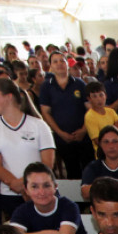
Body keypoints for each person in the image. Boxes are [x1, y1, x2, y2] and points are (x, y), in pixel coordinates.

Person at [0, 77, 55, 217]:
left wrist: (28, 186)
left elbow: (47, 163)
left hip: (42, 192)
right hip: (10, 194)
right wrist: (19, 185)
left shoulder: (39, 125)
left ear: (8, 96)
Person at [9, 163, 87, 234]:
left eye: (46, 185)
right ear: (26, 190)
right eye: (34, 187)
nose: (41, 192)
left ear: (55, 187)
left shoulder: (69, 206)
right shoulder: (22, 211)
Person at [38, 51, 90, 179]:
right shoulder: (46, 86)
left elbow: (89, 109)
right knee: (72, 171)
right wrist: (60, 133)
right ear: (50, 66)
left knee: (89, 169)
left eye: (62, 60)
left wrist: (83, 130)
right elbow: (46, 112)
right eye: (55, 61)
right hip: (63, 137)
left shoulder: (79, 83)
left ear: (68, 64)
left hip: (83, 135)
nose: (59, 64)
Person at [83, 80, 118, 148]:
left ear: (105, 96)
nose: (99, 99)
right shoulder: (90, 116)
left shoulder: (111, 111)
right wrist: (116, 129)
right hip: (103, 154)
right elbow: (98, 141)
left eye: (101, 95)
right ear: (89, 99)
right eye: (94, 96)